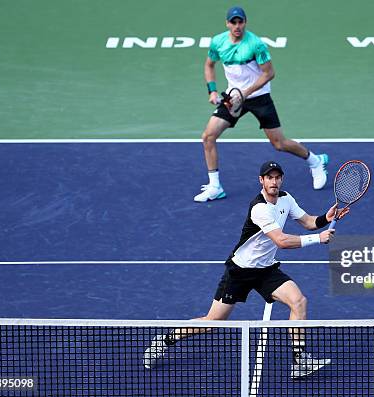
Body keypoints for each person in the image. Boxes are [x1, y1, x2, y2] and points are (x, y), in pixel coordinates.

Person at [145, 160, 350, 378]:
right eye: (269, 177)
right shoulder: (259, 208)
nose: (274, 181)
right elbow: (281, 241)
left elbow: (308, 222)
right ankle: (165, 340)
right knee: (212, 322)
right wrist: (318, 239)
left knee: (298, 300)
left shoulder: (286, 198)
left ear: (281, 179)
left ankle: (299, 360)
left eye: (277, 177)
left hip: (265, 270)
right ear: (261, 181)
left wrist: (325, 219)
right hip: (240, 272)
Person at [193, 6, 329, 203]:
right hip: (233, 98)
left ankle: (315, 161)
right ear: (227, 23)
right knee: (208, 136)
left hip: (259, 97)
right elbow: (209, 64)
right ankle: (215, 186)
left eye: (240, 22)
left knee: (279, 143)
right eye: (233, 22)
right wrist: (212, 90)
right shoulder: (218, 42)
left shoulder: (256, 44)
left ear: (245, 23)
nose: (237, 26)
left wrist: (246, 93)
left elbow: (269, 73)